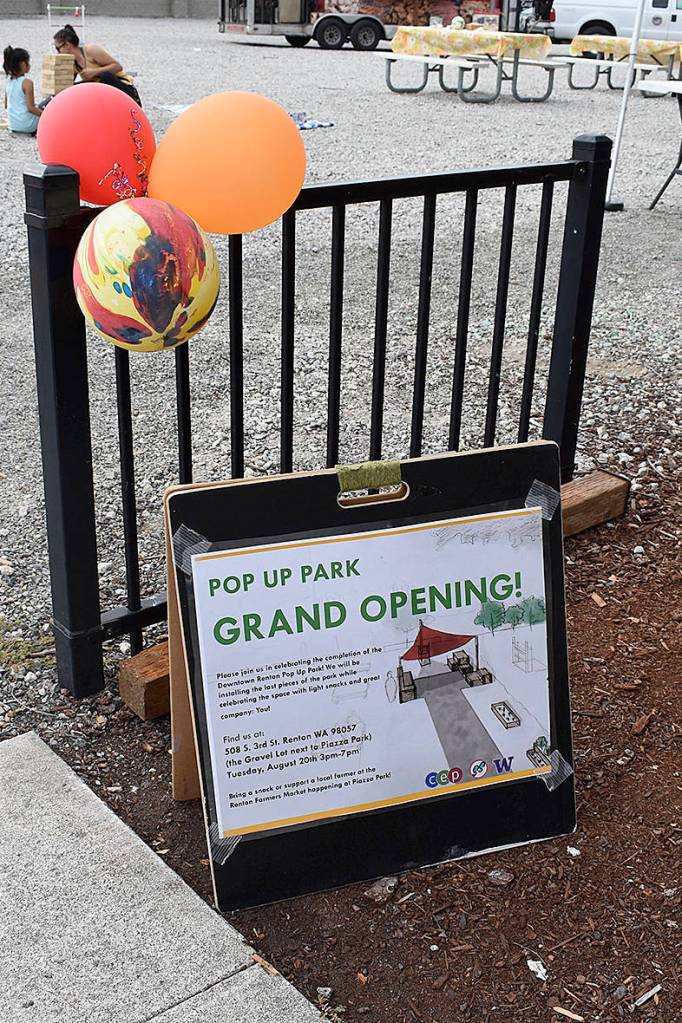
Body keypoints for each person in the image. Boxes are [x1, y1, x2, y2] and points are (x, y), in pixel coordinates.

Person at [53, 24, 141, 105]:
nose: (58, 53)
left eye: (58, 49)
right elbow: (68, 86)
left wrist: (94, 72)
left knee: (105, 76)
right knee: (76, 88)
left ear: (67, 45)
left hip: (123, 88)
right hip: (103, 92)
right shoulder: (72, 62)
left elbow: (117, 66)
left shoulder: (90, 50)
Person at [3, 46, 42, 135]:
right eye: (27, 62)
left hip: (13, 125)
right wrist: (46, 115)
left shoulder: (8, 82)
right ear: (23, 64)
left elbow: (6, 105)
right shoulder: (27, 83)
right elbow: (31, 108)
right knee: (46, 103)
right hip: (28, 126)